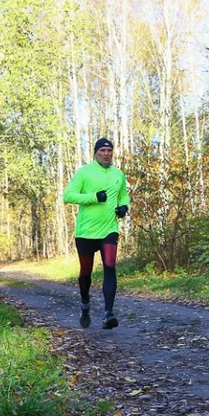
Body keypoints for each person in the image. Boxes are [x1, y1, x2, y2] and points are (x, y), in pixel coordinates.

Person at [63, 138, 131, 329]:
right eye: (102, 150)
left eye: (109, 150)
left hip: (109, 230)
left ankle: (108, 314)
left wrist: (124, 207)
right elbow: (68, 196)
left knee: (110, 268)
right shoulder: (85, 172)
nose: (106, 153)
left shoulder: (119, 174)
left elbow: (124, 194)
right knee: (86, 273)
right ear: (96, 152)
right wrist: (94, 197)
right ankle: (85, 304)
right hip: (86, 232)